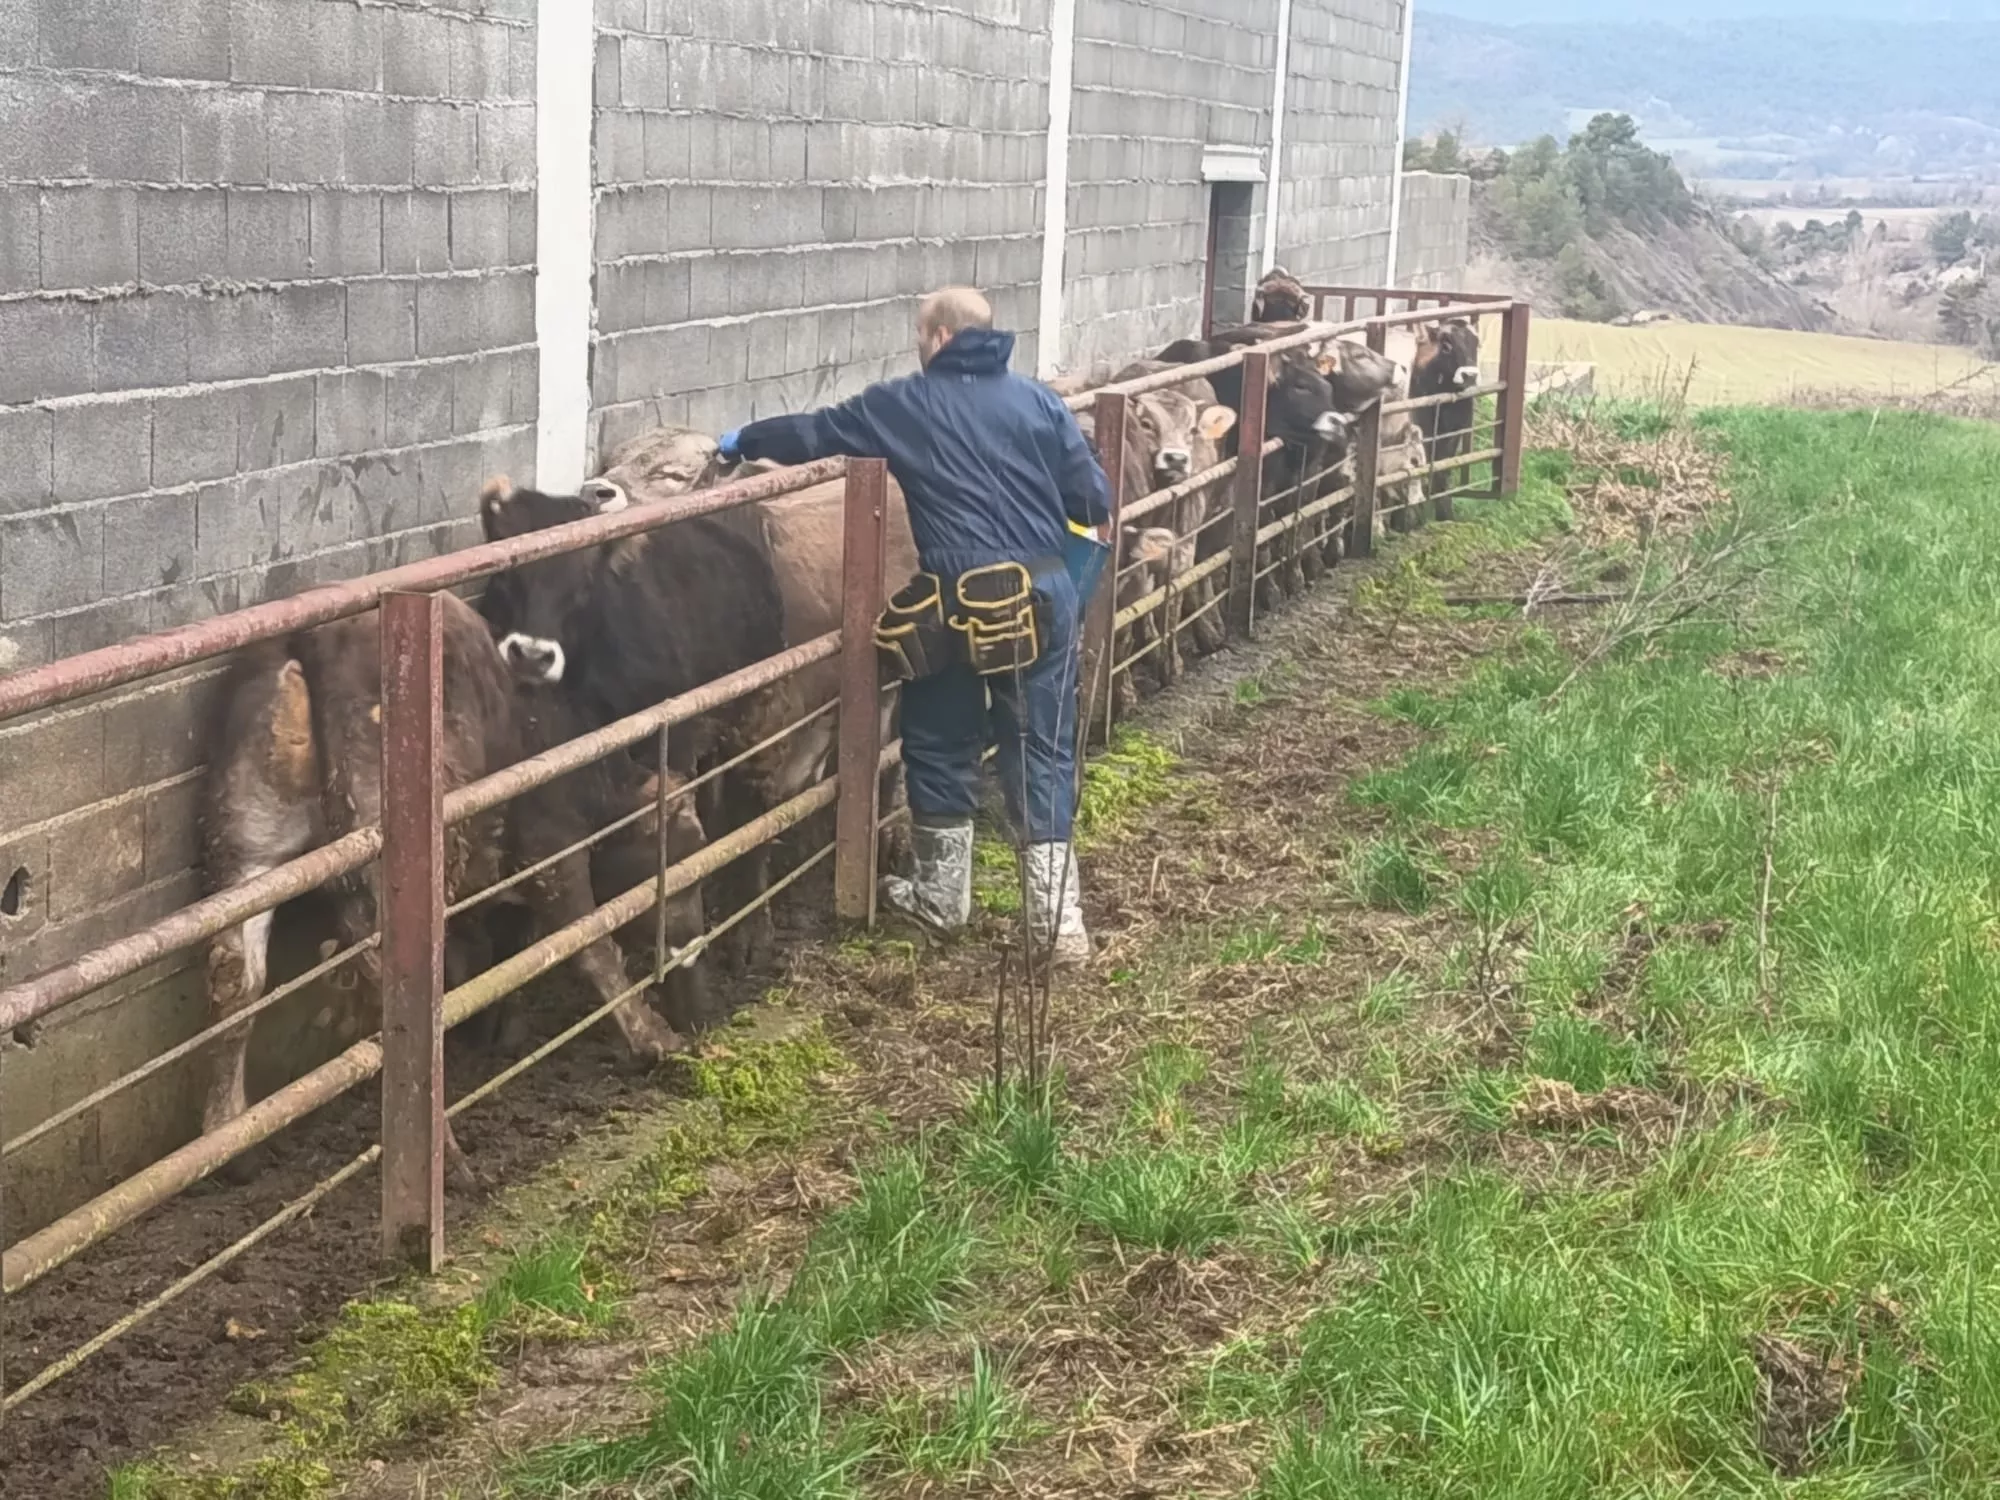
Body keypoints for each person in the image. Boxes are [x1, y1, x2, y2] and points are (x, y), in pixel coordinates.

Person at [718, 288, 1111, 966]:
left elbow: (816, 433)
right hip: (1042, 594)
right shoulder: (1040, 402)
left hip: (957, 599)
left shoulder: (904, 404)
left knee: (939, 738)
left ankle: (941, 897)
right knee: (1041, 748)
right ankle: (1058, 926)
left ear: (938, 337)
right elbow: (1092, 499)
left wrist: (742, 440)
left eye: (918, 334)